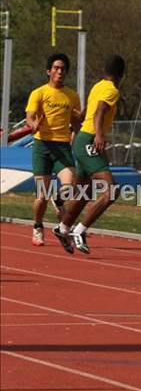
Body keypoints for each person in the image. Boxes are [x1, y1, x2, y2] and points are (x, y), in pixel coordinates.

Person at [53, 54, 125, 255]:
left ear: (105, 71)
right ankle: (80, 230)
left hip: (82, 139)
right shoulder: (112, 90)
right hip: (90, 140)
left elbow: (86, 113)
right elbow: (99, 111)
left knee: (86, 192)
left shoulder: (98, 86)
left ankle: (63, 227)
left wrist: (78, 120)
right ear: (122, 74)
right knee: (111, 191)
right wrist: (100, 136)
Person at [25, 53, 81, 246]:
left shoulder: (72, 96)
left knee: (71, 183)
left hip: (62, 146)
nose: (60, 71)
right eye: (56, 68)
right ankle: (38, 226)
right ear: (49, 71)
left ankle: (57, 200)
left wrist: (77, 133)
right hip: (42, 146)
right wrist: (33, 124)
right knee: (41, 196)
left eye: (63, 69)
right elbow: (30, 116)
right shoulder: (39, 93)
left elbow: (76, 122)